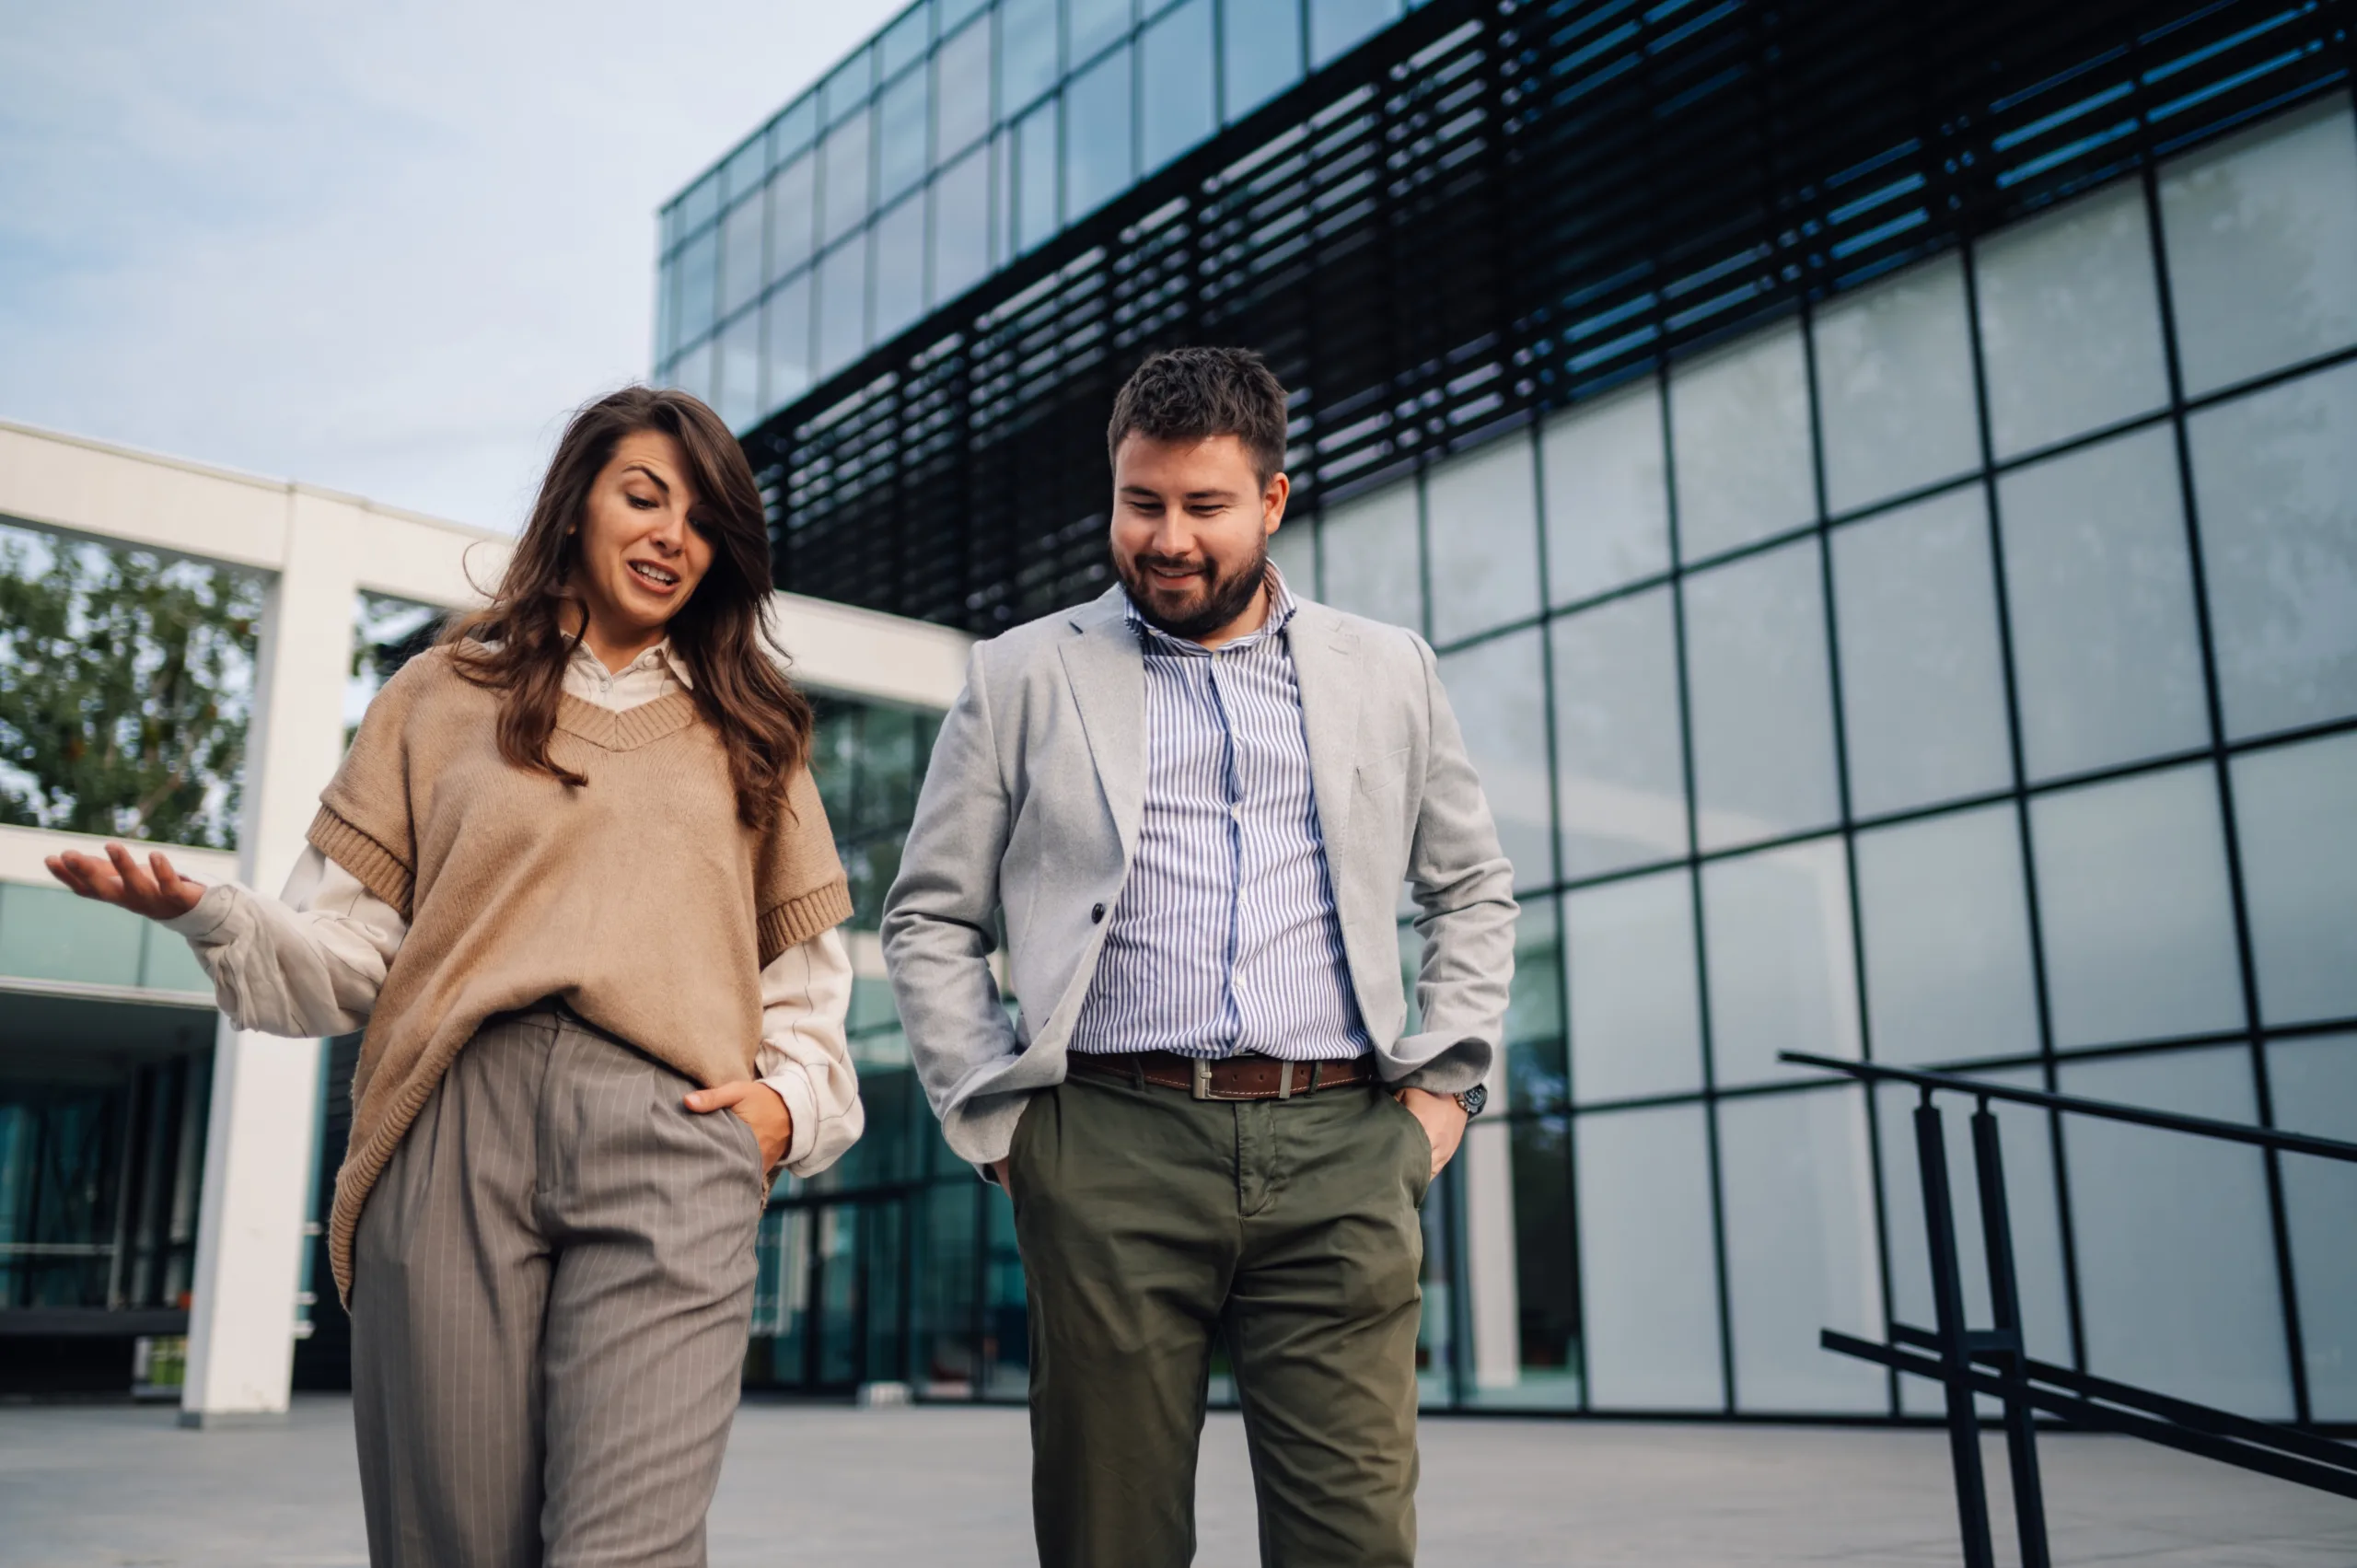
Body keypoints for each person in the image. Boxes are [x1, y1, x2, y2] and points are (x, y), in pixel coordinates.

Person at [47, 386, 861, 1567]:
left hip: (674, 1134)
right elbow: (347, 964)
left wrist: (782, 1111)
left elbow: (806, 994)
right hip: (450, 1129)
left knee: (625, 1548)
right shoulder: (439, 695)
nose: (671, 535)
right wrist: (214, 916)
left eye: (702, 518)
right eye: (643, 495)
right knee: (451, 1548)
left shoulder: (755, 729)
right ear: (575, 504)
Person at [882, 346, 1517, 1567]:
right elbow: (930, 917)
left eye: (1204, 506)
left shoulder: (1387, 668)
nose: (1167, 538)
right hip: (1109, 1140)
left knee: (1356, 1538)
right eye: (1142, 502)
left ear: (1272, 501)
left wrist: (1443, 1094)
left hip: (1341, 1141)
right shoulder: (1021, 674)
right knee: (1107, 1538)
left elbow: (1472, 883)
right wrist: (1003, 1125)